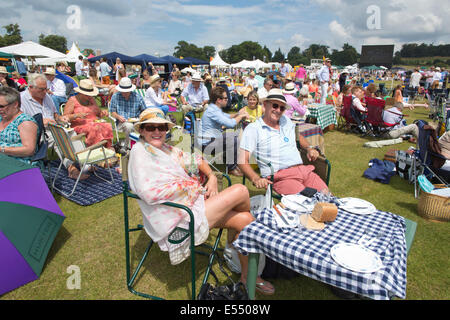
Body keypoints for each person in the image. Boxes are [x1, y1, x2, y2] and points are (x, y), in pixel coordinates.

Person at [127, 108, 274, 294]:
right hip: (176, 218)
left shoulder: (166, 149)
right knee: (241, 190)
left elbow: (196, 159)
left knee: (244, 220)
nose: (157, 131)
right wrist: (194, 188)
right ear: (141, 130)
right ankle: (233, 243)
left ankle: (247, 275)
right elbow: (149, 193)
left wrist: (212, 176)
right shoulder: (139, 153)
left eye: (161, 127)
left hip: (191, 205)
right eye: (150, 127)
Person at [238, 88, 329, 195]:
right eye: (275, 106)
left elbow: (297, 136)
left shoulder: (285, 120)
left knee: (328, 197)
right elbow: (241, 160)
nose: (278, 110)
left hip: (303, 170)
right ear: (265, 105)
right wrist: (256, 178)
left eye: (282, 108)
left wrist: (309, 148)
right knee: (308, 201)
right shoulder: (254, 129)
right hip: (281, 177)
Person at [198, 86, 248, 176]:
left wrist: (238, 113)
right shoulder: (213, 111)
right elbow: (231, 124)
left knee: (232, 136)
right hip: (206, 144)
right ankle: (231, 168)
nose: (227, 99)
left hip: (209, 141)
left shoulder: (214, 109)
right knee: (232, 138)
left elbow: (227, 116)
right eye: (225, 98)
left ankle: (232, 163)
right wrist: (240, 117)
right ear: (218, 100)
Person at [63, 79, 113, 149]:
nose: (89, 96)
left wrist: (103, 112)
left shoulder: (91, 99)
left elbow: (98, 113)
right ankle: (94, 149)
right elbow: (64, 117)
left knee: (106, 125)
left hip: (94, 122)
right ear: (81, 93)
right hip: (79, 125)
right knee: (94, 127)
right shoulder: (73, 100)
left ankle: (106, 147)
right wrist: (76, 115)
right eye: (87, 95)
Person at [0, 86, 38, 164]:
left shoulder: (25, 122)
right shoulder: (2, 118)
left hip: (17, 163)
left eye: (2, 106)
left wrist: (2, 150)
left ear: (15, 104)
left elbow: (29, 150)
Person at [109, 77, 147, 147]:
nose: (125, 93)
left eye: (127, 91)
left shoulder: (137, 97)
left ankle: (144, 145)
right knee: (129, 126)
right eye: (123, 91)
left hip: (136, 121)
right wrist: (118, 117)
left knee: (146, 125)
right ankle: (128, 146)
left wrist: (141, 117)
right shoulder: (115, 97)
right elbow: (112, 111)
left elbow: (144, 110)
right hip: (121, 122)